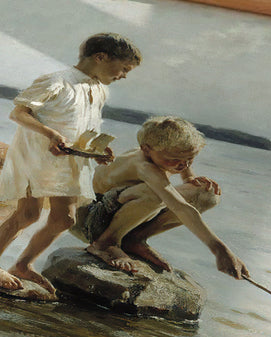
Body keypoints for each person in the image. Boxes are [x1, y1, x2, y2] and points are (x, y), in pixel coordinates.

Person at [0, 33, 141, 298]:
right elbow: (18, 113)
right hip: (37, 157)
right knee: (28, 214)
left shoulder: (99, 89)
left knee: (65, 219)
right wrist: (49, 133)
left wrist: (95, 150)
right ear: (100, 58)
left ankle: (23, 264)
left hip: (68, 161)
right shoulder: (57, 81)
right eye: (123, 69)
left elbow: (84, 127)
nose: (123, 76)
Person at [74, 115, 248, 282]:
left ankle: (134, 239)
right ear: (146, 149)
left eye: (190, 159)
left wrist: (188, 178)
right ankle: (105, 243)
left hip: (120, 212)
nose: (183, 165)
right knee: (157, 194)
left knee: (207, 194)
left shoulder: (162, 155)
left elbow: (182, 164)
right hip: (94, 219)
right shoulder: (144, 166)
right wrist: (220, 250)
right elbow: (180, 207)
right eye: (174, 159)